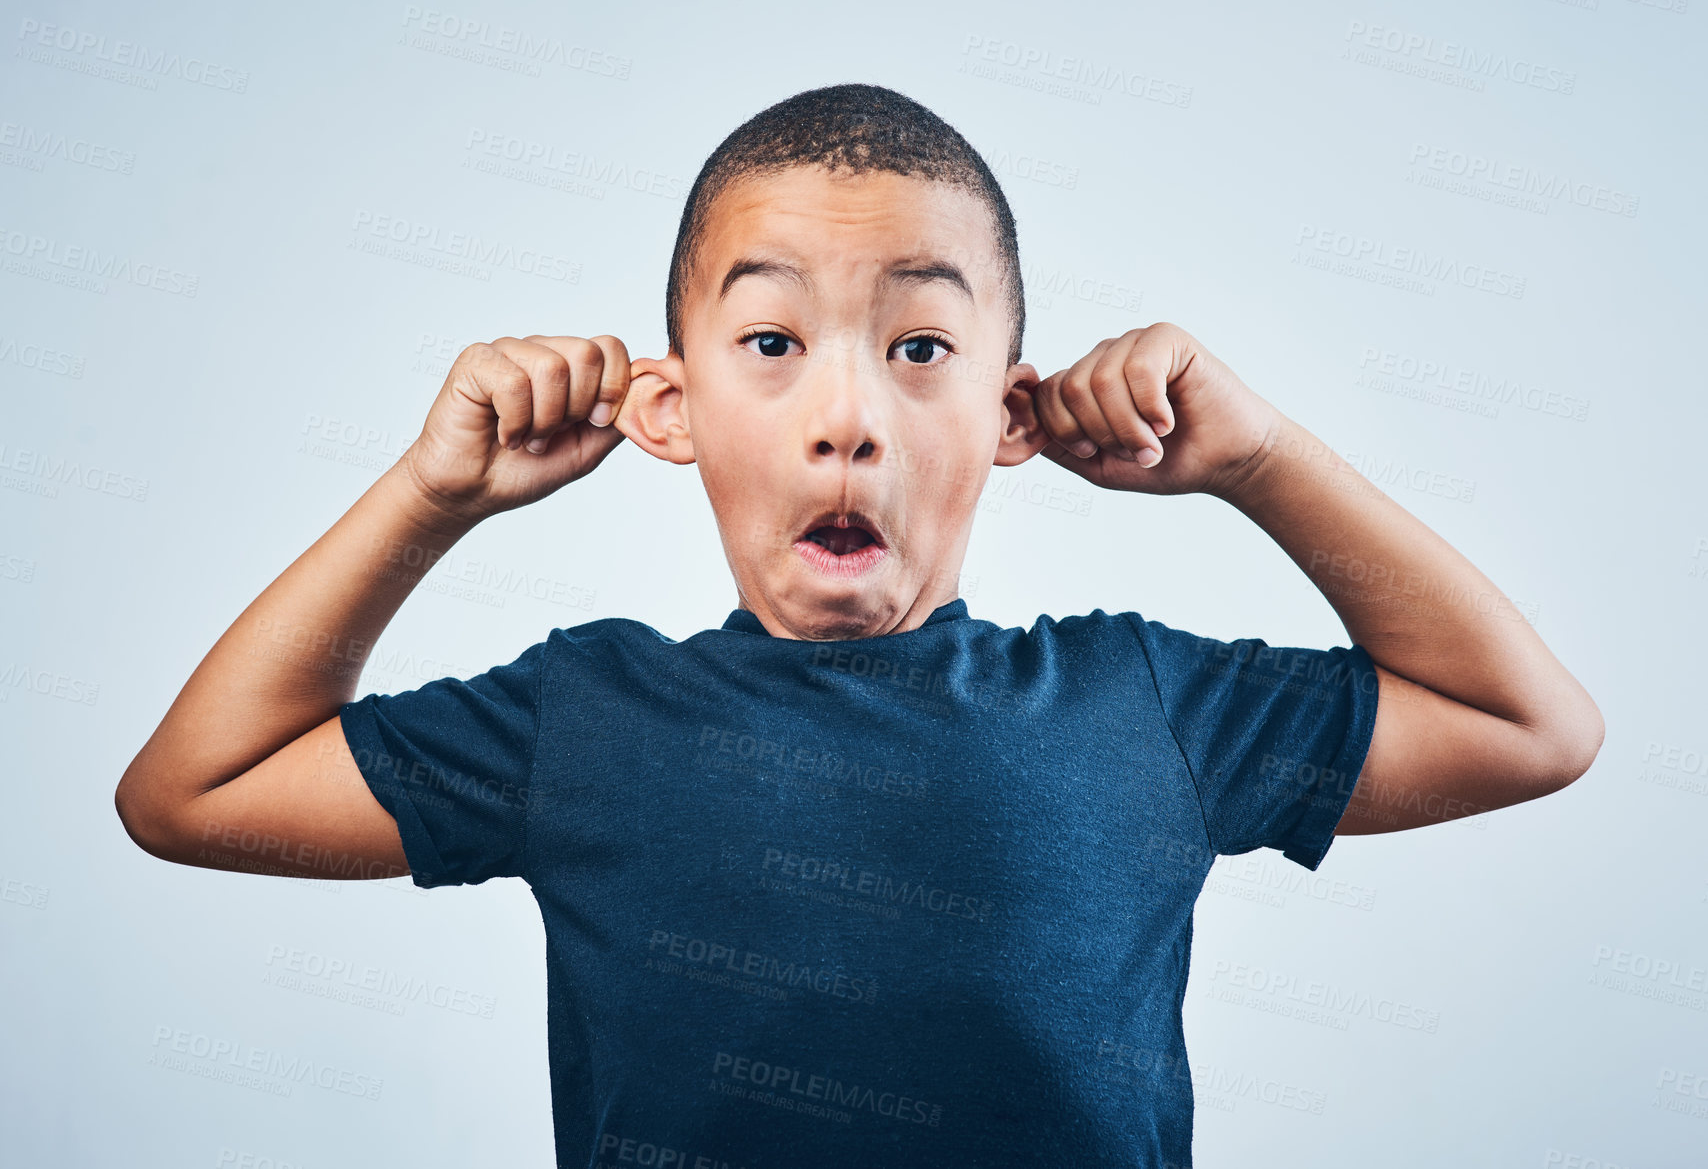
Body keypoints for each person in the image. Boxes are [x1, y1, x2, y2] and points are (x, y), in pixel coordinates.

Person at [114, 83, 1603, 1168]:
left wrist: (1261, 458)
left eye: (921, 346)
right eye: (771, 342)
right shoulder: (583, 715)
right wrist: (430, 495)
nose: (847, 416)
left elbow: (1531, 724)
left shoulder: (1139, 699)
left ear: (1011, 408)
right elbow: (191, 790)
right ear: (670, 405)